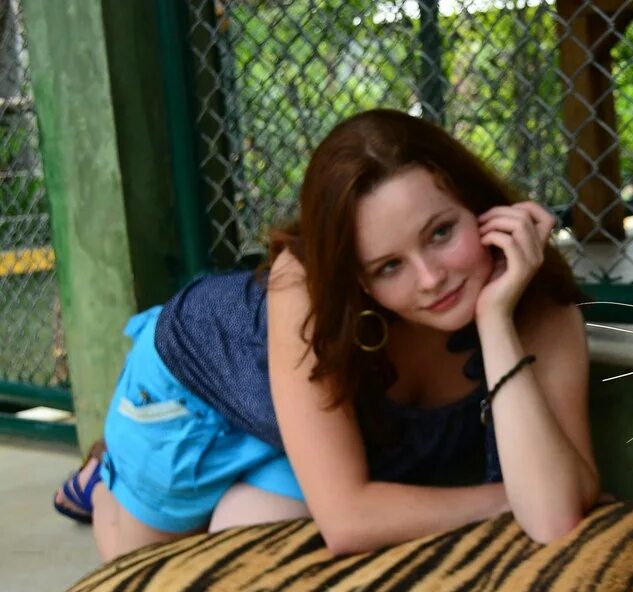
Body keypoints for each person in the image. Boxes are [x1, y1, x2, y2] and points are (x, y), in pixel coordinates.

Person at [53, 108, 599, 561]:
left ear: (481, 209)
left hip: (305, 440)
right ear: (353, 280)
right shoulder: (305, 282)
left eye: (441, 233)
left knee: (246, 555)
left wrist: (496, 319)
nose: (432, 279)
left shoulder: (543, 313)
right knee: (141, 577)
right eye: (388, 266)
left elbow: (552, 517)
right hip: (192, 395)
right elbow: (348, 519)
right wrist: (508, 500)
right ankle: (106, 482)